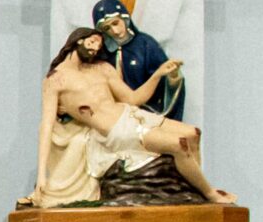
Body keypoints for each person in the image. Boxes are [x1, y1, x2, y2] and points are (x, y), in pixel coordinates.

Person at [30, 28, 231, 206]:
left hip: (132, 115)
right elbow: (47, 126)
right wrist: (42, 175)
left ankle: (194, 190)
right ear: (77, 41)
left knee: (193, 133)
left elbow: (133, 98)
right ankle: (210, 194)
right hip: (118, 131)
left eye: (98, 45)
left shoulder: (102, 69)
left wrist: (158, 74)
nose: (94, 49)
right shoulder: (56, 80)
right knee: (179, 145)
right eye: (92, 42)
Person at [92, 0, 184, 120]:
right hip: (112, 115)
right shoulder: (101, 54)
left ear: (124, 19)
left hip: (147, 112)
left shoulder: (145, 44)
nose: (114, 30)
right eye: (107, 28)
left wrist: (172, 78)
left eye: (115, 23)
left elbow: (164, 79)